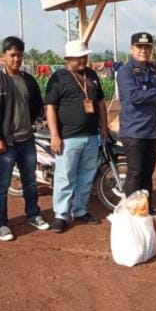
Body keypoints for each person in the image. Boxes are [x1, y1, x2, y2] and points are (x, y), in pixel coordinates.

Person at [0, 36, 50, 241]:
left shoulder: (28, 80)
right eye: (12, 55)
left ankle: (33, 214)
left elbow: (38, 105)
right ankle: (0, 224)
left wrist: (35, 123)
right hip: (5, 141)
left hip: (26, 139)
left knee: (30, 181)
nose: (16, 59)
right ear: (3, 56)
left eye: (19, 55)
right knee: (2, 184)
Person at [45, 40, 108, 233]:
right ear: (67, 59)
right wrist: (55, 135)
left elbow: (100, 103)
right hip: (68, 138)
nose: (82, 60)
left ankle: (80, 211)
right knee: (65, 176)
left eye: (84, 56)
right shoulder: (58, 78)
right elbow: (50, 107)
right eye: (78, 57)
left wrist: (104, 127)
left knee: (86, 175)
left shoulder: (92, 75)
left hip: (91, 136)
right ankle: (61, 215)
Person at [117, 32, 156, 212]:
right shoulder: (125, 71)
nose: (144, 51)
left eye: (147, 47)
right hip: (133, 132)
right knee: (135, 173)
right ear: (132, 48)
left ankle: (146, 208)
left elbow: (153, 95)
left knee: (147, 173)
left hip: (152, 130)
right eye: (140, 47)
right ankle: (131, 211)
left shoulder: (153, 70)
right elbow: (134, 96)